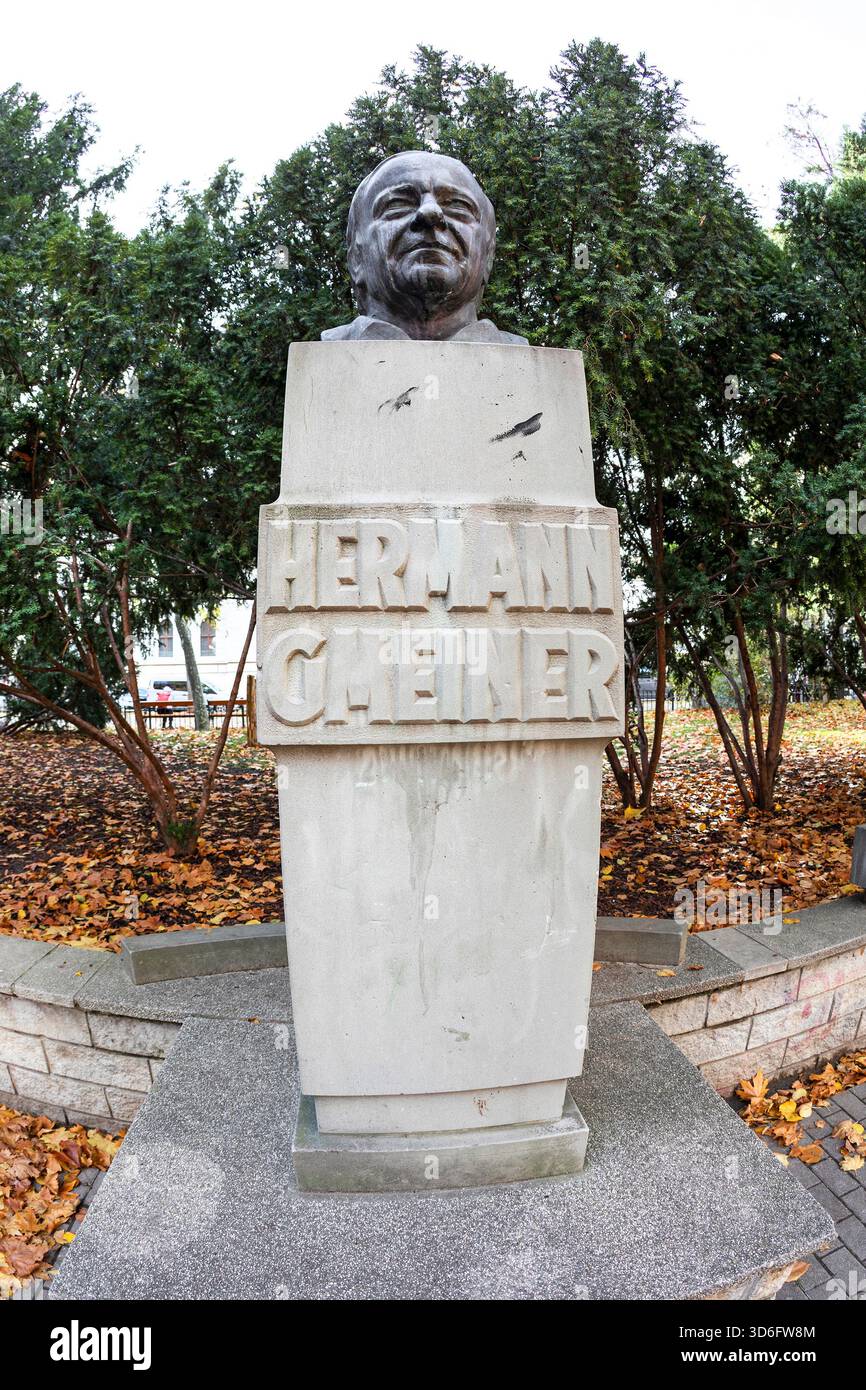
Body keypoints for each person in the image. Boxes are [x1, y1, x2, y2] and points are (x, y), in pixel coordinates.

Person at [323, 151, 527, 346]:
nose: (430, 212)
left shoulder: (521, 357)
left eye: (457, 205)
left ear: (489, 257)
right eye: (398, 203)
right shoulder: (327, 354)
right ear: (356, 258)